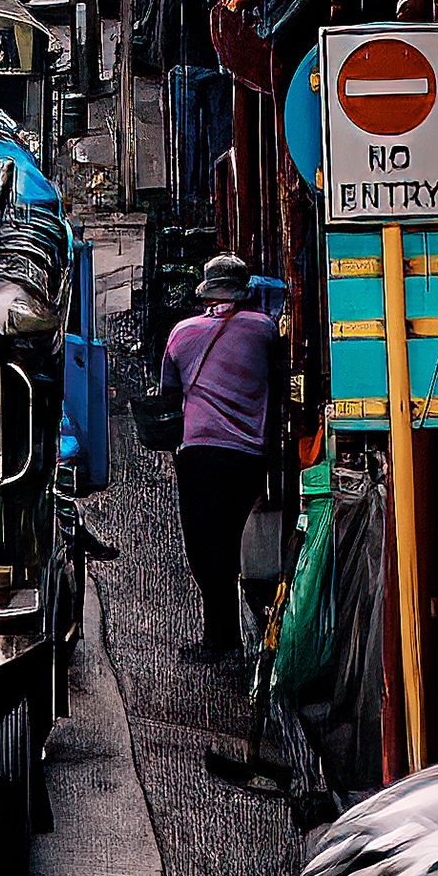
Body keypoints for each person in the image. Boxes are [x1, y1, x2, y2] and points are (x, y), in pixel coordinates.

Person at [161, 253, 280, 666]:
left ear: (206, 293)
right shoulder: (264, 330)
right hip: (248, 457)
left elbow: (169, 394)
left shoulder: (182, 334)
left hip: (198, 454)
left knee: (203, 547)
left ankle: (221, 637)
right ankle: (248, 632)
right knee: (236, 544)